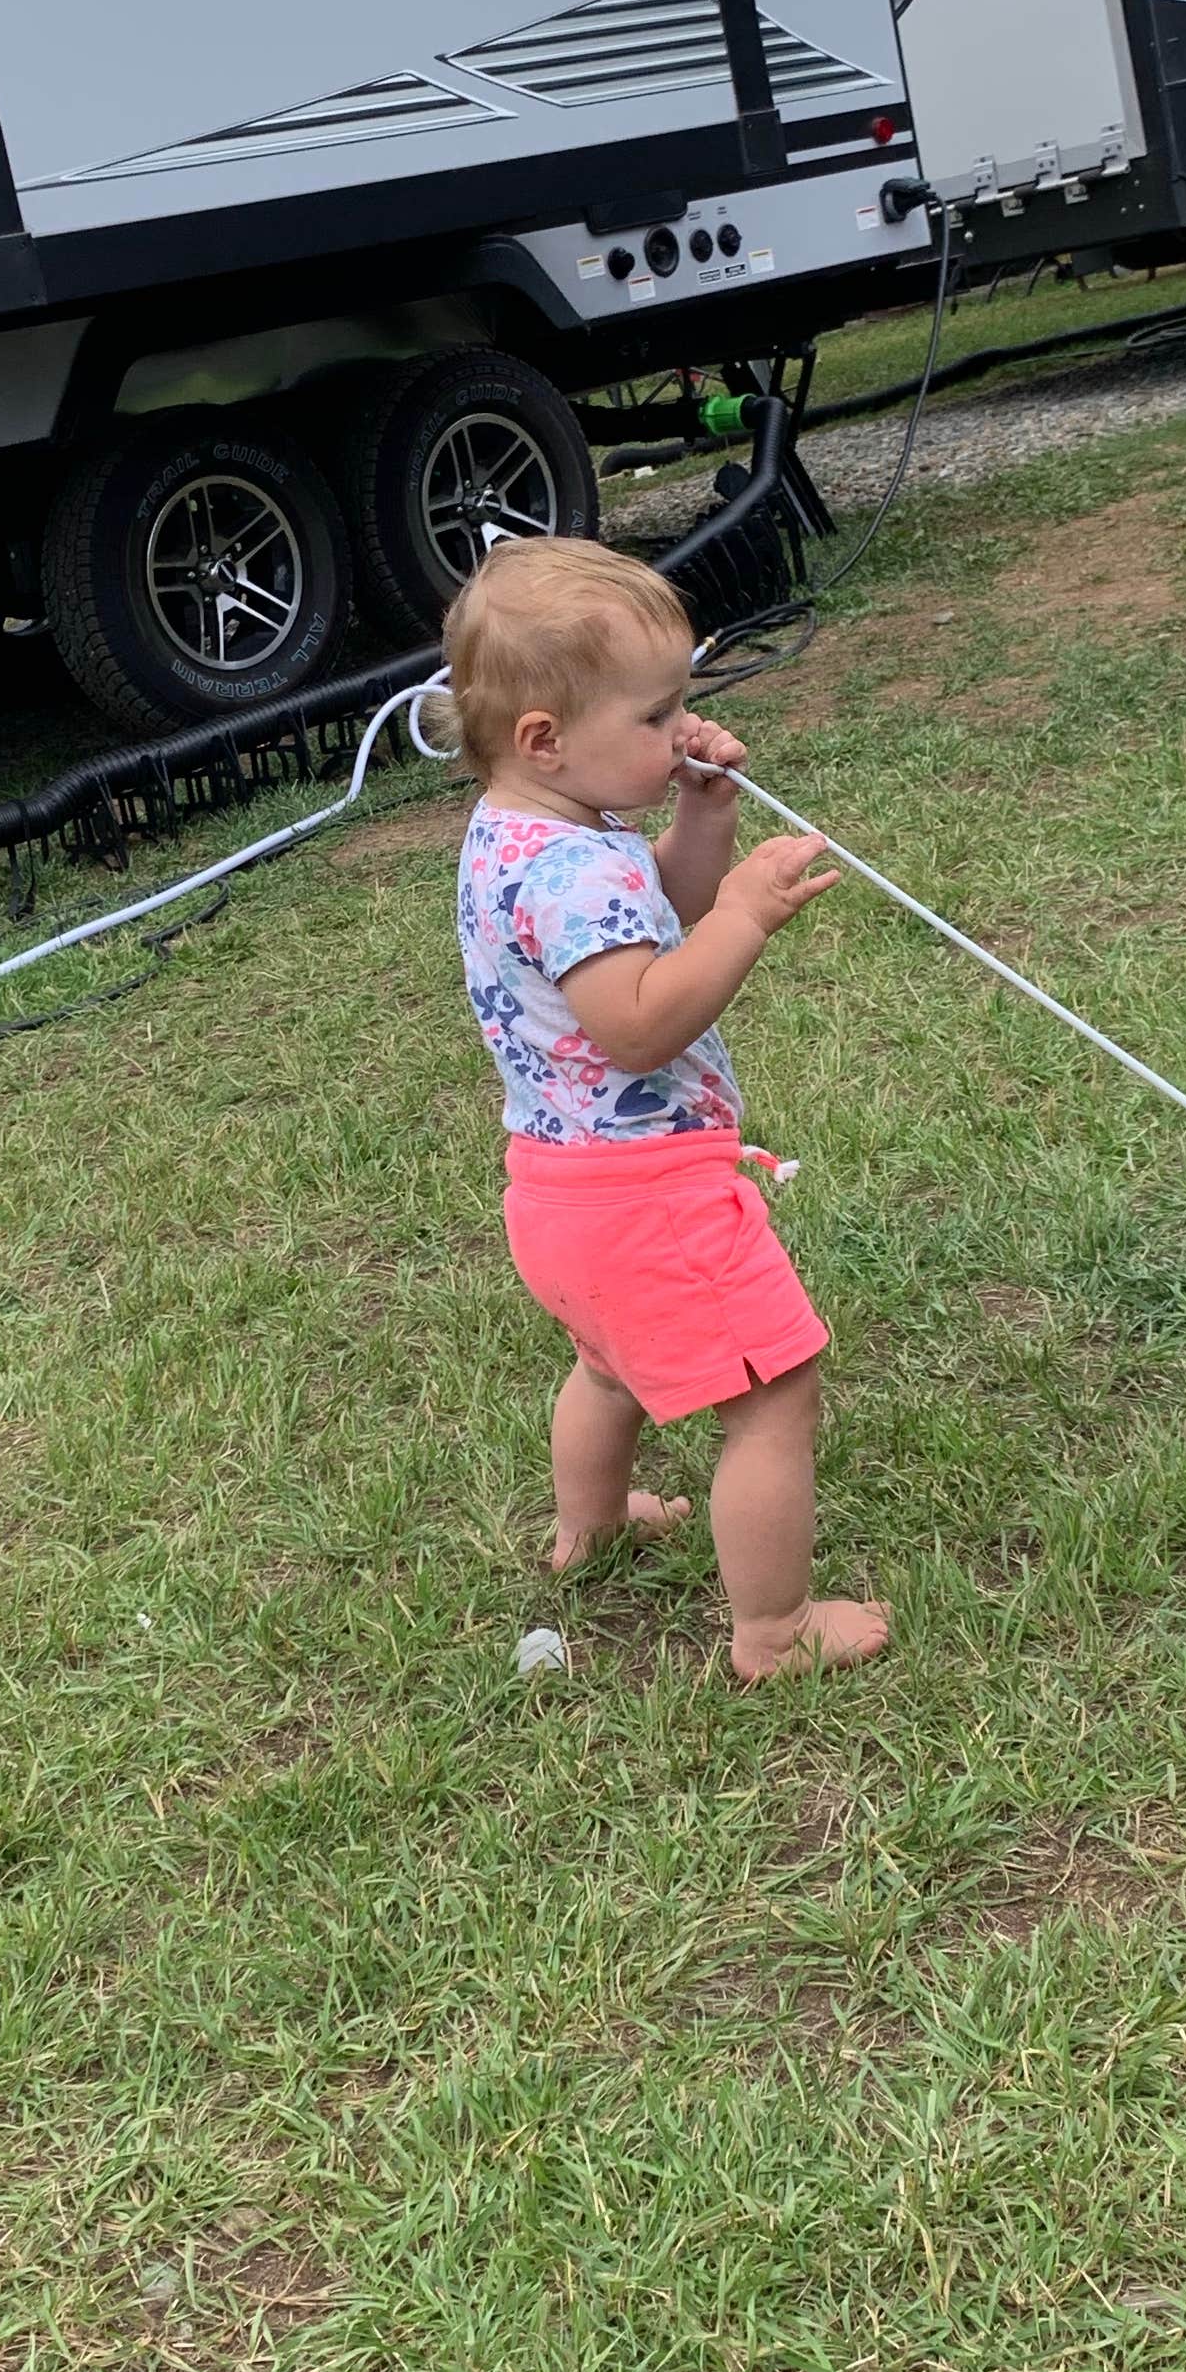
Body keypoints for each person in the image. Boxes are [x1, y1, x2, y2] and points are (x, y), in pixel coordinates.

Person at [443, 536, 889, 1680]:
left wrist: (702, 819)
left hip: (557, 1195)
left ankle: (585, 1530)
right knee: (774, 1396)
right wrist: (744, 915)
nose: (681, 727)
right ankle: (772, 1632)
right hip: (652, 1200)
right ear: (546, 736)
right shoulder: (570, 870)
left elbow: (651, 917)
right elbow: (639, 1017)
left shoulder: (524, 834)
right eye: (656, 717)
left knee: (609, 1368)